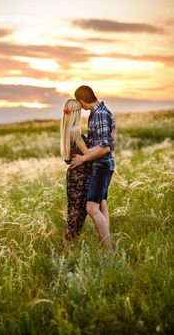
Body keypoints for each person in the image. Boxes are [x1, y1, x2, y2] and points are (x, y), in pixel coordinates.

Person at [71, 86, 116, 254]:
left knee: (91, 208)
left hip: (101, 165)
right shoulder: (99, 113)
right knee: (102, 205)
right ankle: (106, 246)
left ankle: (109, 251)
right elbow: (104, 143)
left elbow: (105, 149)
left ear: (82, 100)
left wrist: (83, 158)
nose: (79, 106)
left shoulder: (100, 115)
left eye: (78, 102)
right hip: (102, 165)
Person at [60, 99, 94, 248]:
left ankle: (67, 246)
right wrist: (105, 145)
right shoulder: (75, 131)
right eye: (79, 111)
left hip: (73, 176)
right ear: (76, 113)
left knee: (74, 212)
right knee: (77, 213)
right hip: (80, 176)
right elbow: (88, 154)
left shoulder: (66, 130)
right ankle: (66, 248)